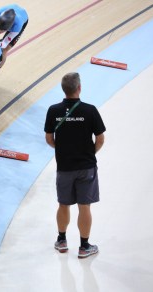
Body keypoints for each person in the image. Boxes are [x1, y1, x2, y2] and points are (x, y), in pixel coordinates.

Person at [44, 72, 106, 259]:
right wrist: (89, 153)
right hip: (86, 166)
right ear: (79, 88)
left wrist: (62, 151)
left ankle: (62, 241)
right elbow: (100, 139)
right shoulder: (90, 110)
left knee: (64, 204)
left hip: (64, 167)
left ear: (64, 89)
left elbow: (49, 138)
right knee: (84, 206)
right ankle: (84, 246)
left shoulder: (53, 110)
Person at [0, 4, 29, 89]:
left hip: (22, 19)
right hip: (6, 17)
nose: (0, 31)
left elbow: (4, 44)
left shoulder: (17, 26)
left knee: (3, 50)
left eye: (3, 30)